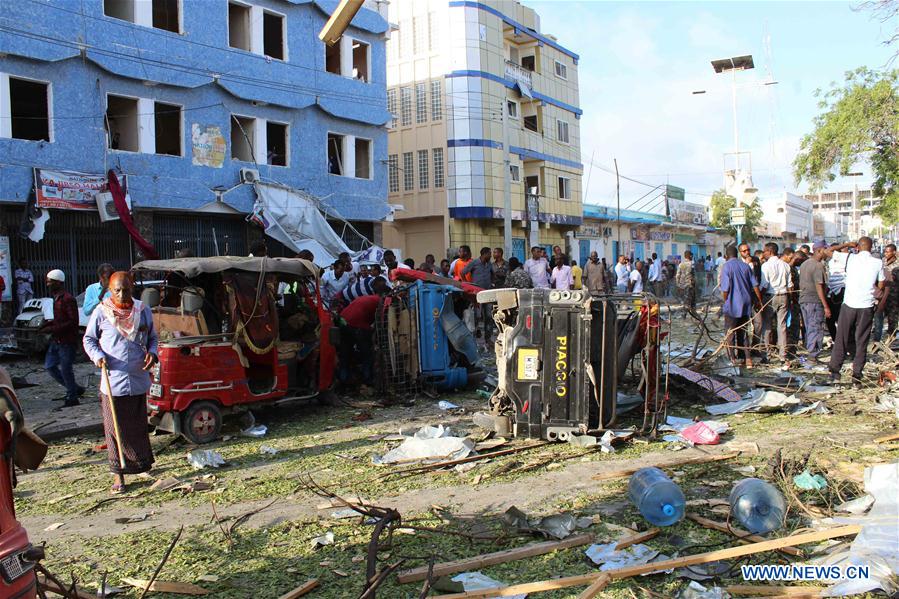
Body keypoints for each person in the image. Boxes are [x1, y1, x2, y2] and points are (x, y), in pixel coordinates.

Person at [82, 272, 158, 493]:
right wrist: (98, 356)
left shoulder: (142, 310)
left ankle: (141, 465)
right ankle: (119, 476)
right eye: (117, 290)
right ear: (110, 290)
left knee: (137, 427)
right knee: (114, 429)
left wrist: (152, 353)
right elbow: (89, 339)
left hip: (137, 377)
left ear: (132, 287)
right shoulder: (101, 312)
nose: (122, 294)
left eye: (126, 289)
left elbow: (153, 337)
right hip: (112, 380)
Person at [829, 237, 884, 387]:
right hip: (866, 305)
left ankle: (835, 372)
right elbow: (881, 282)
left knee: (842, 337)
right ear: (871, 248)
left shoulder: (850, 258)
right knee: (862, 340)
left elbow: (828, 251)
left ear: (858, 246)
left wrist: (846, 244)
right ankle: (857, 377)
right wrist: (876, 293)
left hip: (849, 304)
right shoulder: (878, 262)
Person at [40, 270, 83, 408]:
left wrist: (52, 328)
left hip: (66, 341)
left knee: (65, 369)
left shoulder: (67, 299)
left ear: (58, 282)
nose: (48, 284)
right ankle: (74, 389)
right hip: (57, 340)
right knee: (50, 366)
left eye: (50, 281)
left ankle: (72, 397)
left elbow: (72, 321)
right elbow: (60, 320)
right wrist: (48, 324)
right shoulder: (56, 298)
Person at [338, 277, 388, 385]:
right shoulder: (380, 301)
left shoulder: (366, 297)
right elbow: (380, 321)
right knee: (367, 355)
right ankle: (368, 380)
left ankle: (343, 381)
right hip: (357, 326)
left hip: (343, 323)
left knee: (345, 354)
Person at [720, 245, 762, 368]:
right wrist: (759, 300)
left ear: (726, 256)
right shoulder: (745, 266)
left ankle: (732, 359)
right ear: (737, 254)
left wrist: (725, 300)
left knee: (730, 333)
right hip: (745, 304)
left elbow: (725, 289)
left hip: (732, 305)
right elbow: (755, 285)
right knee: (743, 332)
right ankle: (747, 359)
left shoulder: (726, 267)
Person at [759, 242, 792, 367]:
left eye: (765, 251)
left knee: (766, 326)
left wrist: (758, 298)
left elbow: (764, 284)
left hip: (770, 296)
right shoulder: (785, 265)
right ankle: (783, 356)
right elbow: (790, 285)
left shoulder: (766, 266)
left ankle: (767, 355)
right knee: (782, 326)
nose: (764, 253)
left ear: (770, 251)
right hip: (783, 296)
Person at [798, 242, 831, 363]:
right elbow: (819, 286)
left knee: (809, 327)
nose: (828, 252)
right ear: (820, 250)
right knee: (816, 327)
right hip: (815, 301)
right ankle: (813, 355)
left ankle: (811, 352)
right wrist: (826, 306)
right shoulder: (818, 266)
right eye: (826, 249)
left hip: (804, 300)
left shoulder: (804, 264)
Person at [463, 247, 495, 342]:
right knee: (477, 316)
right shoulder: (474, 263)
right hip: (477, 294)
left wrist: (492, 283)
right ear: (484, 254)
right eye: (489, 254)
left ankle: (488, 338)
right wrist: (467, 285)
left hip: (487, 293)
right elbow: (463, 272)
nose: (491, 256)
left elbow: (492, 274)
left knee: (489, 316)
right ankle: (475, 337)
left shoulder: (489, 264)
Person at [873, 243, 897, 342]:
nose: (885, 253)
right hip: (881, 295)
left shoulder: (897, 263)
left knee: (892, 319)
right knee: (878, 319)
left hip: (894, 295)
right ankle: (876, 341)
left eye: (888, 251)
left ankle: (890, 340)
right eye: (885, 251)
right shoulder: (882, 262)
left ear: (894, 252)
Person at [676, 251, 696, 317]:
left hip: (682, 285)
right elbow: (693, 274)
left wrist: (678, 284)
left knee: (686, 299)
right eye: (691, 255)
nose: (692, 257)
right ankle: (687, 314)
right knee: (691, 300)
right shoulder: (692, 264)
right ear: (690, 256)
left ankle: (689, 314)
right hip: (690, 284)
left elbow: (678, 275)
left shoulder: (681, 264)